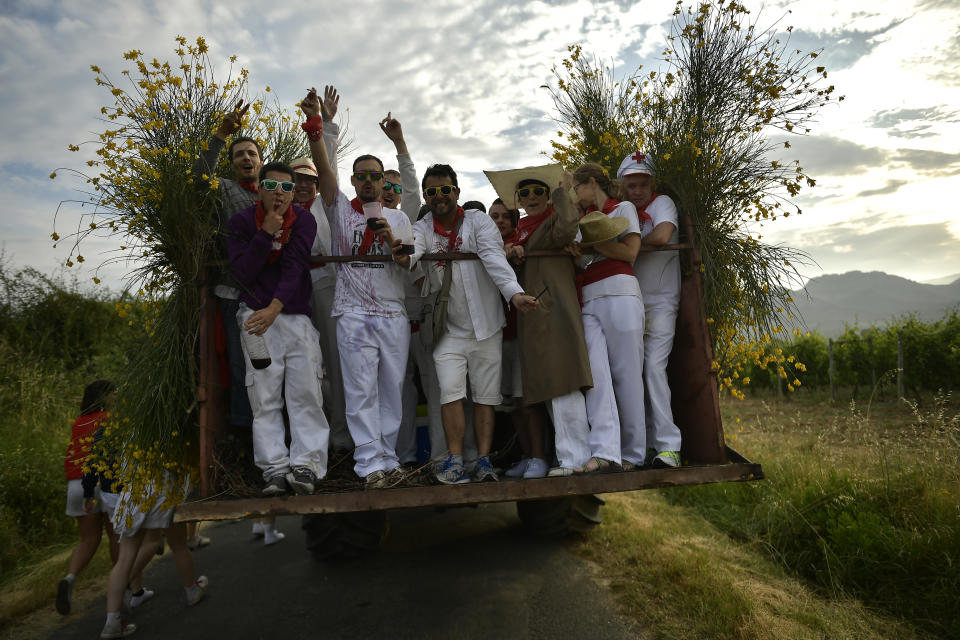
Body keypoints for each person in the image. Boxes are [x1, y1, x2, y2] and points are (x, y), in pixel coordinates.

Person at [300, 87, 414, 488]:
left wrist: (388, 239)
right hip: (352, 312)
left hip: (392, 313)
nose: (368, 182)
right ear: (353, 181)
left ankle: (389, 458)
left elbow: (406, 262)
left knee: (390, 390)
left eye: (375, 176)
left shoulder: (399, 221)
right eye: (361, 176)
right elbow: (322, 168)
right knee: (360, 390)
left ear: (384, 182)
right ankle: (369, 465)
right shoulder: (337, 207)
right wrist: (319, 127)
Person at [410, 164, 538, 484]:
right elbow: (413, 248)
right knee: (450, 394)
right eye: (432, 192)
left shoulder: (478, 221)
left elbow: (495, 258)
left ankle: (482, 461)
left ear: (457, 192)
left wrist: (515, 294)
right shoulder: (424, 226)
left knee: (485, 397)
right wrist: (402, 253)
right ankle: (454, 460)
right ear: (426, 195)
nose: (439, 197)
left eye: (445, 190)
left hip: (487, 326)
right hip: (448, 330)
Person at [227, 161, 330, 495]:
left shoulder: (304, 220)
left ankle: (306, 467)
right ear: (260, 188)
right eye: (274, 186)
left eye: (288, 188)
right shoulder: (241, 222)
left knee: (306, 395)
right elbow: (241, 273)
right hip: (255, 319)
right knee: (265, 398)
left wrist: (275, 307)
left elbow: (295, 265)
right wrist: (266, 232)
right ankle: (274, 470)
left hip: (293, 315)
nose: (282, 194)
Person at [484, 165, 593, 477]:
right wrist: (509, 250)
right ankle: (564, 458)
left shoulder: (553, 219)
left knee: (563, 384)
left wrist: (563, 192)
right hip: (534, 317)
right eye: (525, 193)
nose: (531, 197)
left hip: (554, 310)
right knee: (545, 388)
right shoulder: (519, 232)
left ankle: (575, 459)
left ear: (548, 197)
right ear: (518, 199)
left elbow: (567, 230)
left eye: (538, 192)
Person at [569, 163, 646, 472]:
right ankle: (605, 451)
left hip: (621, 291)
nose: (576, 194)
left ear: (591, 182)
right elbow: (583, 261)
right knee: (596, 377)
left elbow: (630, 253)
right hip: (588, 295)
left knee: (627, 375)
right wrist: (579, 255)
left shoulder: (622, 207)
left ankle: (634, 453)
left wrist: (591, 243)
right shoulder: (581, 219)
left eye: (577, 188)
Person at [194, 102, 263, 435]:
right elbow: (197, 179)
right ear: (232, 163)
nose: (246, 159)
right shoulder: (224, 188)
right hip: (234, 293)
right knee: (240, 367)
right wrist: (222, 134)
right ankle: (244, 439)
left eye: (252, 154)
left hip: (277, 294)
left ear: (261, 161)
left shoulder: (276, 191)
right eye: (240, 155)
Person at [292, 86, 353, 458]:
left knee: (334, 361)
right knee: (304, 368)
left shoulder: (324, 207)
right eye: (296, 179)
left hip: (327, 286)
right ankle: (309, 443)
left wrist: (326, 124)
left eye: (308, 180)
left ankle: (342, 436)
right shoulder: (281, 210)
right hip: (291, 294)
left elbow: (327, 164)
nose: (302, 185)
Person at [618, 152, 683, 468]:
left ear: (652, 183)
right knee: (632, 372)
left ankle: (669, 446)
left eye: (643, 183)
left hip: (661, 300)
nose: (638, 190)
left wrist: (623, 245)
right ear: (622, 185)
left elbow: (662, 235)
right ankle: (641, 446)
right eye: (631, 184)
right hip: (630, 300)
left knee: (654, 368)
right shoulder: (623, 211)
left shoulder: (662, 204)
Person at [102, 474, 207, 638]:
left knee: (123, 560)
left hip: (134, 493)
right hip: (167, 492)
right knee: (179, 545)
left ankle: (112, 622)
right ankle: (191, 591)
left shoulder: (129, 449)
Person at [58, 380, 120, 615]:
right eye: (113, 395)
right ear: (103, 398)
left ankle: (69, 579)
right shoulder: (108, 419)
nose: (115, 398)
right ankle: (121, 583)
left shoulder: (78, 423)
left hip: (75, 483)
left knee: (88, 540)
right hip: (100, 482)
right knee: (116, 535)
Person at [488, 199, 530, 476]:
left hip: (520, 332)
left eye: (506, 216)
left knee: (524, 399)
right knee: (508, 403)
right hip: (493, 334)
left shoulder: (521, 242)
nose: (500, 221)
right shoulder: (482, 245)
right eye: (494, 216)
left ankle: (534, 454)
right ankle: (519, 454)